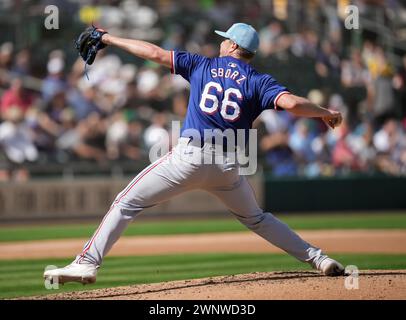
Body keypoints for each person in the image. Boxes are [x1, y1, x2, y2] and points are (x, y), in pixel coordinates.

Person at [44, 23, 344, 285]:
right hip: (228, 165)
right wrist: (325, 112)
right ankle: (319, 259)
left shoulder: (203, 64)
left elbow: (154, 53)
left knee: (125, 203)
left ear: (234, 46)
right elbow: (291, 104)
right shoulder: (259, 80)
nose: (222, 41)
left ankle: (87, 263)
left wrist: (109, 39)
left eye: (226, 38)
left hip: (190, 157)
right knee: (257, 218)